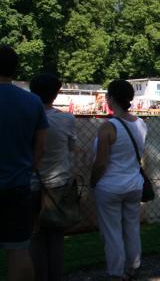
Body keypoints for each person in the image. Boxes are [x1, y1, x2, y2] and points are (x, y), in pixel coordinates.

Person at [91, 80, 148, 281]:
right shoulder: (140, 123)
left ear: (111, 99)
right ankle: (133, 266)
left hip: (110, 186)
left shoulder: (108, 127)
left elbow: (101, 162)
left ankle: (116, 271)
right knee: (132, 227)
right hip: (133, 184)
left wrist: (93, 182)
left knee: (112, 231)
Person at [0, 45, 48, 281]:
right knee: (18, 251)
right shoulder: (32, 102)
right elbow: (40, 146)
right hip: (18, 185)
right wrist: (28, 168)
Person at [29, 73, 76, 281]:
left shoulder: (27, 118)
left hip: (32, 183)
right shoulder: (66, 119)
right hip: (59, 183)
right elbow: (71, 149)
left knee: (35, 237)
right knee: (56, 237)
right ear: (55, 94)